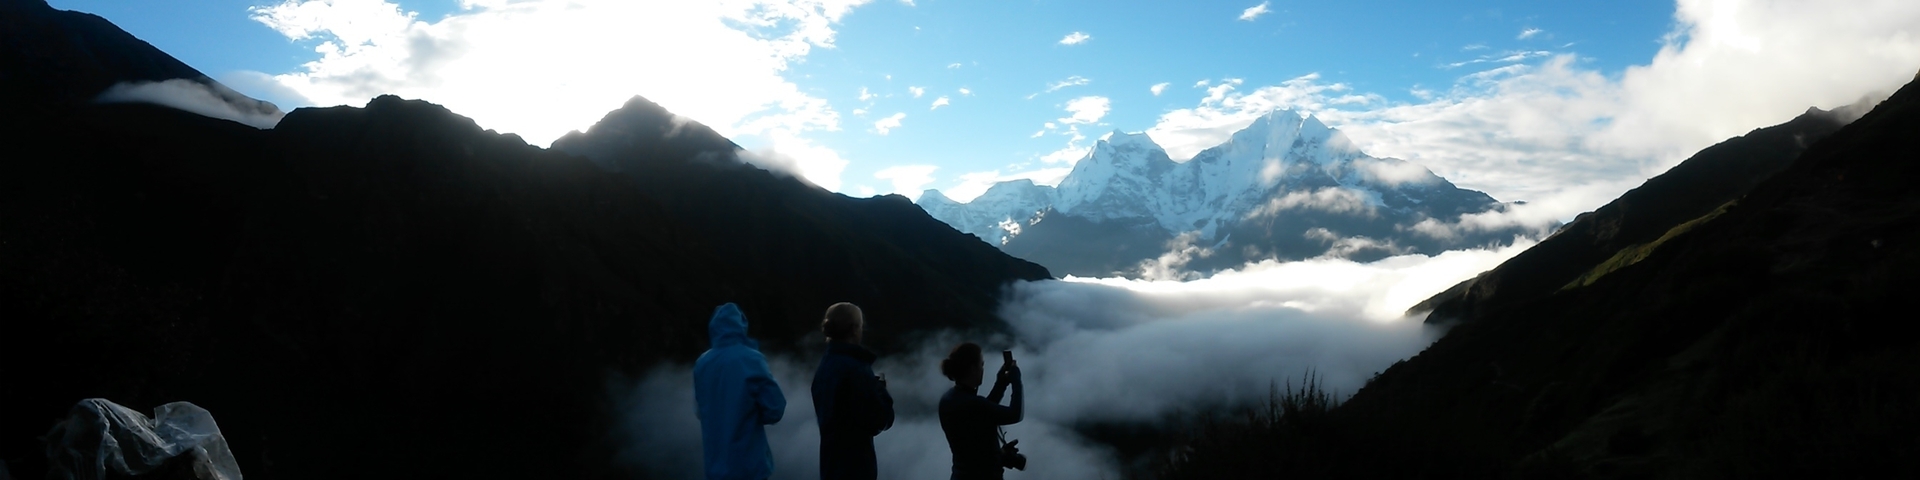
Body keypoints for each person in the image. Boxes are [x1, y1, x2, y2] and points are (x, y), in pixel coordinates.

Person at [694, 303, 787, 480]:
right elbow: (775, 410)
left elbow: (700, 411)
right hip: (749, 468)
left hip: (714, 469)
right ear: (741, 326)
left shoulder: (702, 363)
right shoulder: (752, 359)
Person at [811, 302, 895, 480]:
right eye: (861, 326)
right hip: (855, 468)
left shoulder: (825, 365)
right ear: (854, 329)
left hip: (830, 464)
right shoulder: (856, 369)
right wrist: (880, 391)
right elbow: (878, 420)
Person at [938, 343, 1023, 480]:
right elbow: (1015, 414)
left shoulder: (949, 399)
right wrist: (1016, 381)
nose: (983, 369)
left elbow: (983, 414)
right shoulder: (973, 403)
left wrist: (1000, 384)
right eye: (981, 365)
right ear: (973, 368)